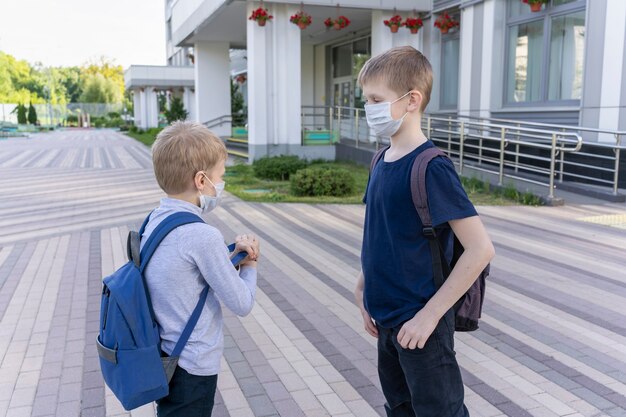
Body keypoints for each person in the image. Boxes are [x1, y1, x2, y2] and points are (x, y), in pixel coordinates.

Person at [354, 46, 495, 417]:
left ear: (412, 100)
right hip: (385, 320)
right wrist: (364, 282)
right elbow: (386, 232)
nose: (369, 108)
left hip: (421, 324)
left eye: (375, 99)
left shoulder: (431, 167)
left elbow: (480, 249)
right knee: (400, 409)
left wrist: (429, 317)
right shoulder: (380, 161)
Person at [143, 121, 260, 416]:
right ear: (201, 180)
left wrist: (228, 256)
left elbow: (181, 273)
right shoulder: (201, 235)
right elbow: (242, 303)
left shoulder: (154, 221)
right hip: (192, 363)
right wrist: (251, 265)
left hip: (164, 355)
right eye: (220, 176)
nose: (221, 184)